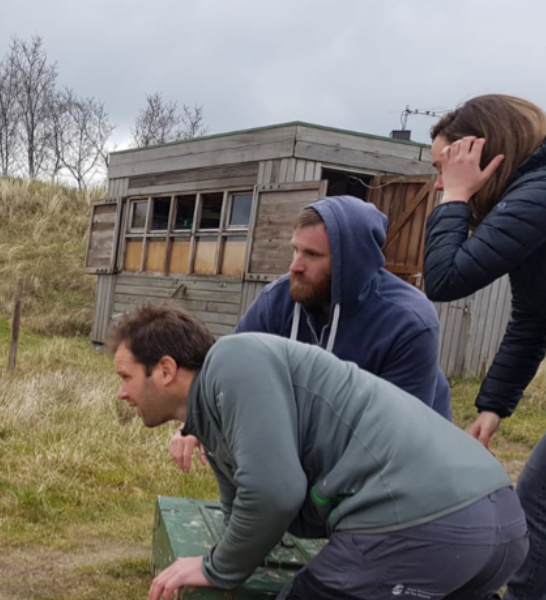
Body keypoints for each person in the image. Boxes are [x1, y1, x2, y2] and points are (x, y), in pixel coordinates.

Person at [109, 305, 526, 600]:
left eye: (125, 377)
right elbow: (241, 504)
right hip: (498, 525)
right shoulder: (214, 411)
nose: (122, 393)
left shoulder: (234, 359)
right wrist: (227, 555)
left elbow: (275, 493)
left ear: (164, 369)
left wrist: (216, 568)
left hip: (422, 526)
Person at [170, 195, 452, 473]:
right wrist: (197, 420)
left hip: (406, 460)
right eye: (295, 250)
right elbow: (228, 370)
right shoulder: (278, 300)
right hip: (318, 439)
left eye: (312, 255)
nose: (295, 266)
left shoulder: (409, 322)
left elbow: (400, 437)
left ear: (351, 263)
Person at [423, 93, 546, 600]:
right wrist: (494, 406)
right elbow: (535, 315)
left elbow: (445, 278)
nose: (437, 182)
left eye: (444, 167)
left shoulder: (539, 193)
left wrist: (454, 197)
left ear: (481, 154)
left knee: (536, 503)